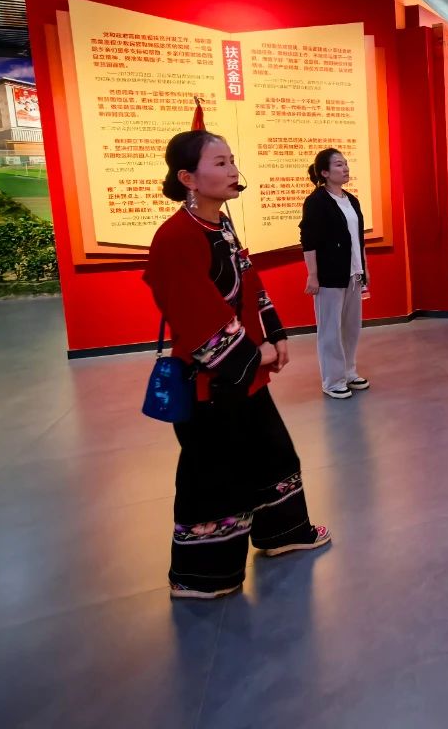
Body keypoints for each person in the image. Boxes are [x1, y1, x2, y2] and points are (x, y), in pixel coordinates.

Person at [145, 125, 330, 600]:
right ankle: (199, 578)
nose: (233, 170)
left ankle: (283, 532)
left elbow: (250, 283)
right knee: (212, 477)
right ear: (188, 178)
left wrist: (276, 333)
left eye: (231, 161)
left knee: (273, 454)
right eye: (220, 163)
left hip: (242, 382)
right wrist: (255, 354)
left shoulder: (220, 225)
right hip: (209, 385)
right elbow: (195, 317)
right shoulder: (176, 238)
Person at [300, 148, 370, 400]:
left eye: (346, 163)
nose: (345, 168)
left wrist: (364, 268)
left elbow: (358, 238)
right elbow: (309, 241)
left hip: (353, 273)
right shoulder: (316, 201)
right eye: (339, 164)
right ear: (325, 172)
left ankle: (349, 372)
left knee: (351, 327)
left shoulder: (351, 200)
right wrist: (312, 274)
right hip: (329, 275)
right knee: (330, 330)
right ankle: (332, 380)